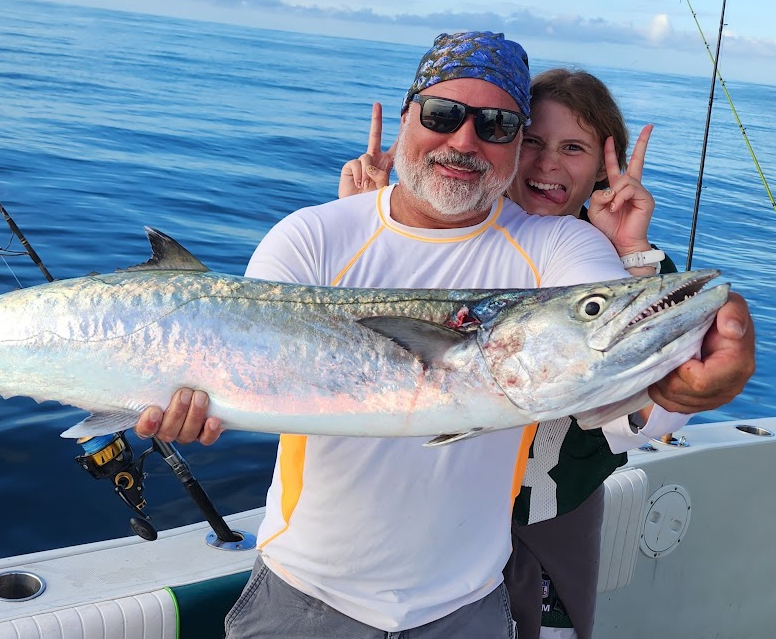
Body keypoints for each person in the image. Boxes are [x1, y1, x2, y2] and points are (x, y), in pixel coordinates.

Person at [135, 32, 756, 637]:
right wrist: (179, 401)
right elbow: (226, 357)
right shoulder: (313, 235)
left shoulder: (560, 244)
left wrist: (684, 378)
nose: (464, 140)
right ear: (407, 115)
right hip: (304, 592)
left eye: (497, 126)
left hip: (467, 604)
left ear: (511, 147)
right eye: (442, 114)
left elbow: (620, 411)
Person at [341, 67, 681, 639]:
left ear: (604, 165)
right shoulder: (461, 233)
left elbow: (648, 422)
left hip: (547, 512)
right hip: (429, 505)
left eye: (573, 148)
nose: (548, 163)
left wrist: (630, 251)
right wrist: (371, 223)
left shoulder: (636, 273)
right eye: (531, 143)